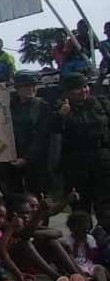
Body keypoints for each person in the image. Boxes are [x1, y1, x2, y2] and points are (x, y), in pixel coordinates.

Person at [45, 73, 110, 225]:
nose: (83, 91)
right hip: (76, 167)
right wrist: (61, 115)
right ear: (67, 91)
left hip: (103, 164)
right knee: (80, 208)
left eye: (85, 86)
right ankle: (83, 242)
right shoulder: (60, 108)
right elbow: (53, 130)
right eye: (77, 88)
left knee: (106, 206)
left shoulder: (100, 103)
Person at [0, 72, 53, 194]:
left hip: (35, 160)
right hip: (11, 158)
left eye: (33, 85)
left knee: (37, 196)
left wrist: (26, 159)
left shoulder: (42, 106)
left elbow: (43, 136)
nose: (31, 89)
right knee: (13, 196)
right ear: (17, 88)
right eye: (26, 85)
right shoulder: (8, 105)